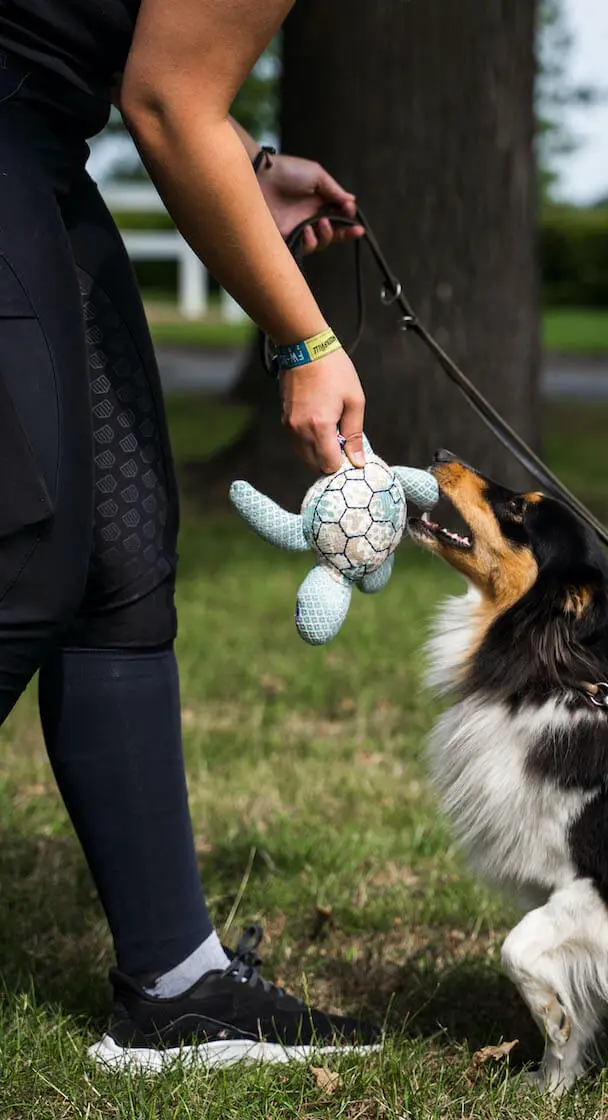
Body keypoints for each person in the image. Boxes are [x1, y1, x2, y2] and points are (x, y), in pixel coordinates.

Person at [0, 0, 380, 1071]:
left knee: (116, 555)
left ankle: (175, 987)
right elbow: (167, 102)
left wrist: (241, 159)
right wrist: (303, 339)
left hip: (39, 138)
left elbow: (155, 62)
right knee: (22, 564)